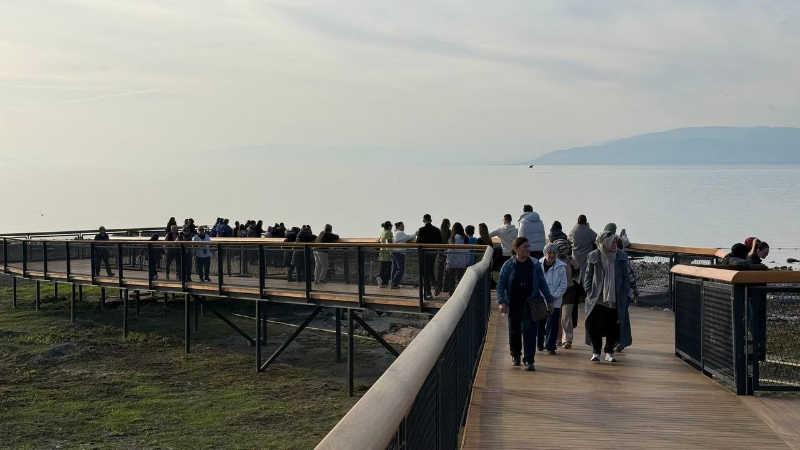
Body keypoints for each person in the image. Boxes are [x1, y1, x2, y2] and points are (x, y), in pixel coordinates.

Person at [497, 237, 556, 372]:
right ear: (516, 249)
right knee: (514, 330)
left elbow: (542, 284)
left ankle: (529, 360)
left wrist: (550, 301)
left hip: (531, 303)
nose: (528, 249)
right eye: (524, 247)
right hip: (514, 303)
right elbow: (501, 284)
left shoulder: (535, 265)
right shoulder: (508, 265)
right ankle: (516, 355)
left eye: (529, 246)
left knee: (530, 332)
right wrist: (502, 302)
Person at [583, 231, 630, 363]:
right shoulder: (594, 256)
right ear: (605, 243)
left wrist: (625, 292)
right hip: (597, 298)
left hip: (615, 298)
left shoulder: (621, 256)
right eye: (613, 242)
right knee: (594, 325)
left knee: (612, 326)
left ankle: (609, 351)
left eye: (616, 242)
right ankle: (596, 351)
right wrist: (588, 290)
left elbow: (626, 277)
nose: (615, 245)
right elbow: (588, 275)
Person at [539, 243, 567, 355]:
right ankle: (539, 343)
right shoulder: (537, 265)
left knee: (552, 323)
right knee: (539, 323)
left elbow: (563, 285)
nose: (552, 255)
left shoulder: (561, 267)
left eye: (554, 253)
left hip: (555, 300)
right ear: (545, 253)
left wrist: (553, 296)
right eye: (549, 253)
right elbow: (535, 282)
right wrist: (542, 295)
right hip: (540, 299)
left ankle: (550, 346)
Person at [554, 239, 579, 349]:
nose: (567, 251)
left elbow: (577, 275)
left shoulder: (570, 260)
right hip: (556, 291)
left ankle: (567, 339)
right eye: (565, 249)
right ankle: (557, 338)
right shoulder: (552, 260)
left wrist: (576, 265)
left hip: (569, 290)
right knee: (556, 316)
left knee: (566, 316)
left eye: (568, 249)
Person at [416, 214, 443, 299]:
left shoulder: (421, 230)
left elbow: (418, 242)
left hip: (424, 253)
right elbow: (440, 242)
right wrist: (440, 253)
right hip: (433, 252)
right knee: (430, 269)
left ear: (424, 221)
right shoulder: (437, 230)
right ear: (431, 220)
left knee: (425, 272)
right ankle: (435, 285)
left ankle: (428, 292)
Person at [442, 222, 469, 295]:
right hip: (462, 263)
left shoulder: (452, 239)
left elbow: (450, 252)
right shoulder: (465, 239)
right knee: (460, 281)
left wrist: (448, 262)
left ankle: (451, 296)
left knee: (452, 281)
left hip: (453, 264)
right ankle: (461, 296)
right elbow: (468, 251)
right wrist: (467, 262)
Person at [568, 215, 597, 280]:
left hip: (575, 256)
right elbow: (595, 237)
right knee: (585, 274)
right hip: (585, 256)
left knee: (576, 274)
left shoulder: (573, 231)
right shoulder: (589, 231)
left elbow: (569, 238)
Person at [391, 222, 416, 289]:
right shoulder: (400, 233)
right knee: (401, 269)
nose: (403, 228)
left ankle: (392, 282)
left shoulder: (395, 233)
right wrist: (415, 234)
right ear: (399, 227)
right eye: (402, 226)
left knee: (395, 268)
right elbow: (407, 237)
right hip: (399, 252)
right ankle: (394, 282)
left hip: (394, 252)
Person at [434, 219, 452, 296]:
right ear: (448, 224)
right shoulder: (450, 232)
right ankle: (446, 287)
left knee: (440, 272)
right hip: (447, 253)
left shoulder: (439, 232)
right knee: (447, 271)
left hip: (440, 253)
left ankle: (438, 287)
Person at [376, 221, 394, 288]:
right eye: (391, 226)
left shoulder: (382, 233)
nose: (392, 227)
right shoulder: (389, 233)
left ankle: (380, 278)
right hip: (387, 253)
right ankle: (384, 282)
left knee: (383, 268)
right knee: (388, 269)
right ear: (389, 226)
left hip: (381, 252)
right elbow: (390, 243)